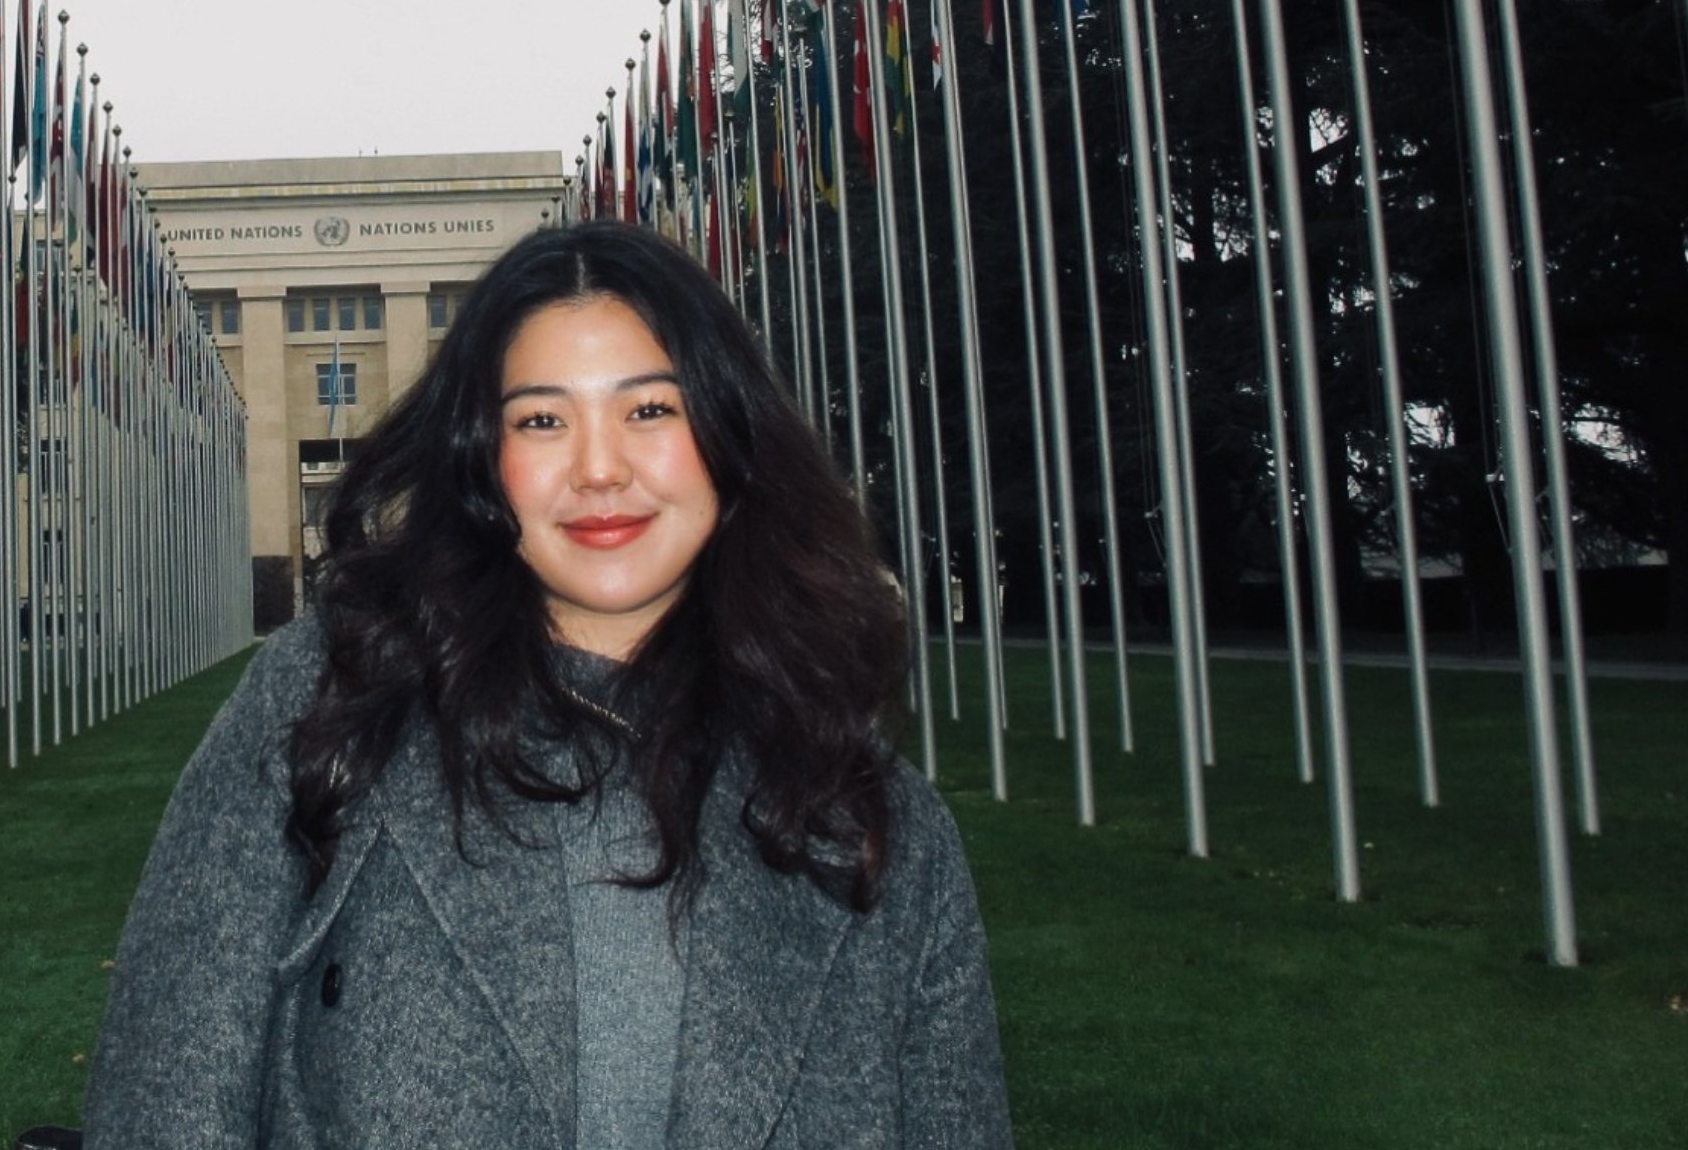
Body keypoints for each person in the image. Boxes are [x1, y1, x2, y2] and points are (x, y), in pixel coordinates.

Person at [84, 221, 1011, 1149]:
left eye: (650, 410)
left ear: (728, 435)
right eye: (541, 419)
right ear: (484, 459)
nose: (599, 469)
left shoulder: (872, 821)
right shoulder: (326, 704)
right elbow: (168, 1089)